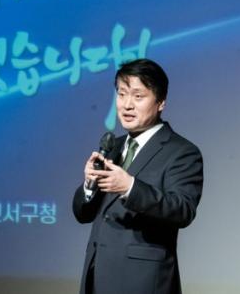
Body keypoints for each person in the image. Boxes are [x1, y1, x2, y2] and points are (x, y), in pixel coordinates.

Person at [72, 59, 203, 294]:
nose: (127, 105)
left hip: (143, 282)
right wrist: (89, 185)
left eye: (138, 96)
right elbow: (83, 214)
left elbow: (182, 209)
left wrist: (130, 187)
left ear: (161, 102)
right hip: (97, 278)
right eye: (121, 94)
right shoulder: (114, 147)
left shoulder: (182, 152)